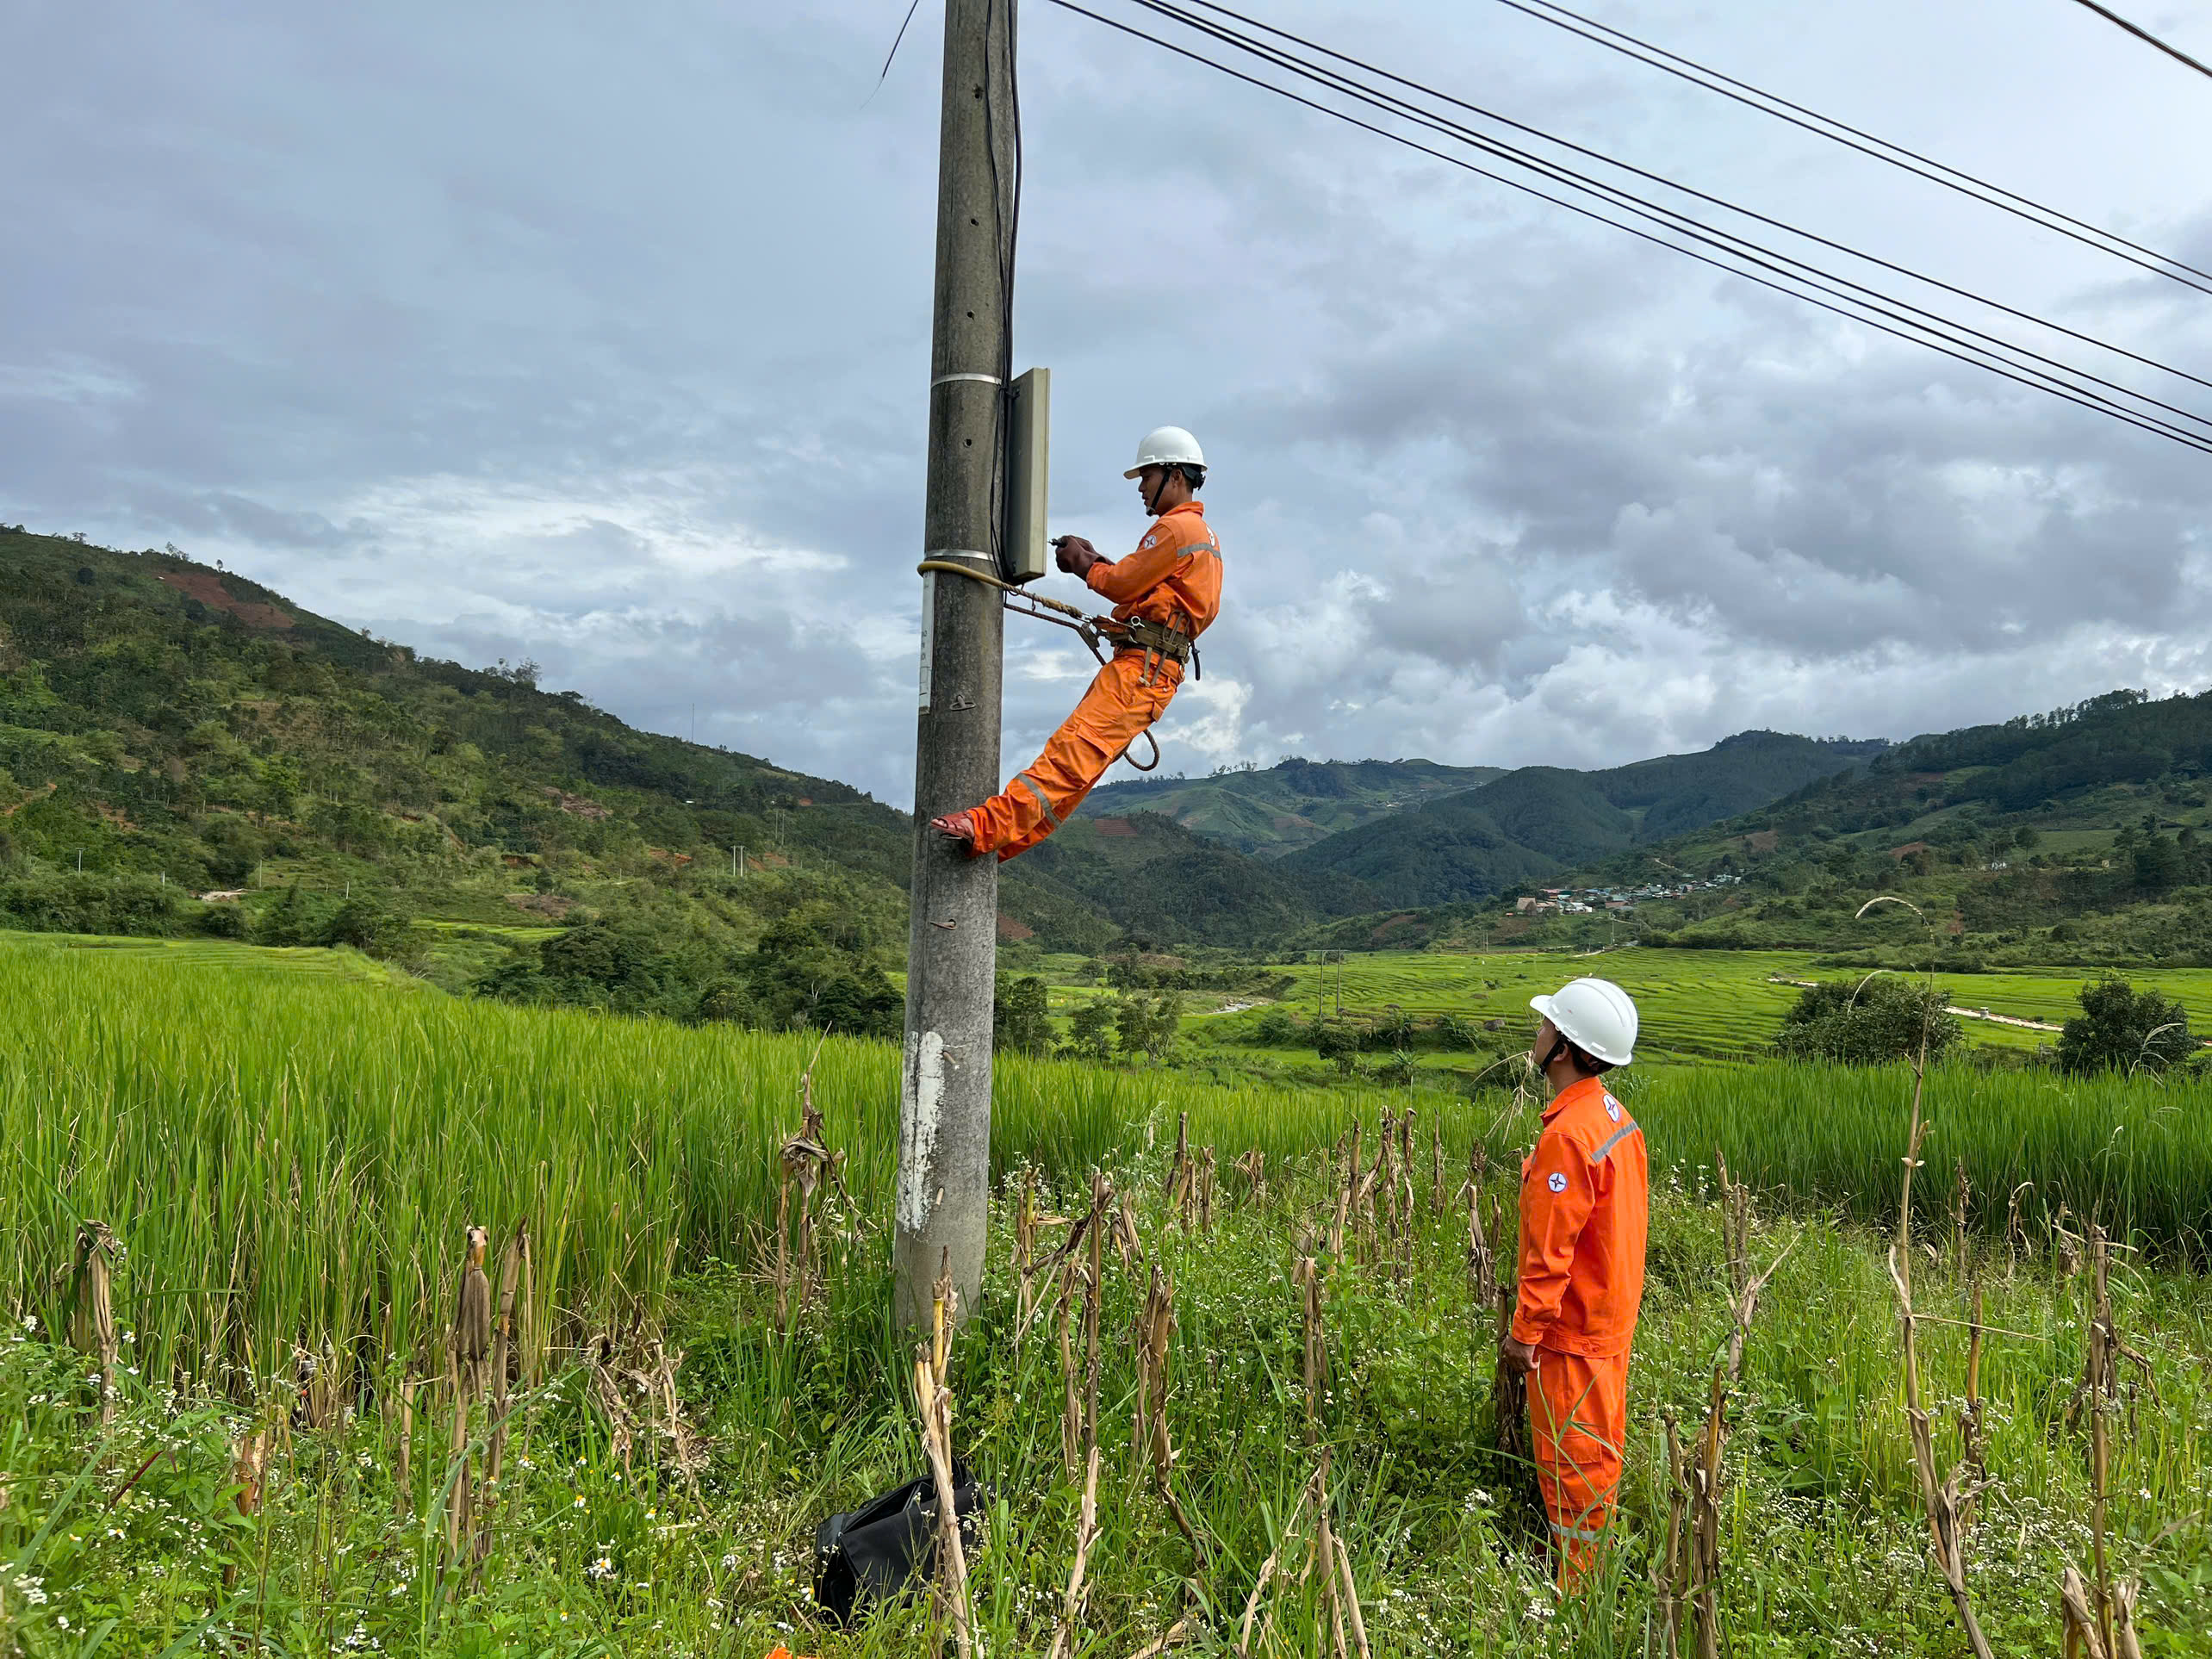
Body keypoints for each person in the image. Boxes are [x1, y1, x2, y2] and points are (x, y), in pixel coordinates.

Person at [930, 426, 1222, 861]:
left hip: (1140, 672)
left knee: (1072, 755)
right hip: (1149, 671)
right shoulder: (1200, 535)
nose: (1141, 488)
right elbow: (1144, 587)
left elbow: (1124, 584)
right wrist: (1097, 559)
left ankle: (987, 826)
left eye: (1146, 477)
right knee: (1080, 773)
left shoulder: (1175, 530)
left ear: (1173, 474)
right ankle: (1001, 845)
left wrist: (1083, 564)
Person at [1500, 976, 1647, 1589]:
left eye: (1546, 1027)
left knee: (1573, 1464)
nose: (1537, 1035)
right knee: (1597, 1450)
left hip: (1571, 1331)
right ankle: (1588, 1569)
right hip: (1608, 1320)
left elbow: (1549, 1252)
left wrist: (1524, 1333)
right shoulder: (1611, 1115)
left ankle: (1579, 1601)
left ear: (1565, 1049)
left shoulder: (1566, 1136)